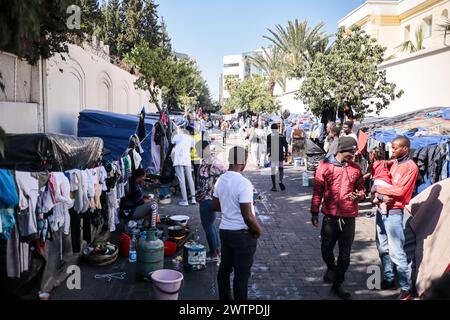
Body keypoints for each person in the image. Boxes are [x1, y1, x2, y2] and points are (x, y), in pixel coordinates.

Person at [311, 137, 365, 300]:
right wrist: (314, 212)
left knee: (345, 256)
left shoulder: (356, 169)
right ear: (341, 150)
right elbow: (317, 191)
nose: (353, 156)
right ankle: (331, 268)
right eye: (351, 152)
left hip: (349, 217)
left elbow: (361, 190)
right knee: (326, 249)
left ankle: (338, 284)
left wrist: (360, 196)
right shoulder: (325, 165)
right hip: (330, 217)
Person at [213, 146, 262, 300]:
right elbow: (247, 215)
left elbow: (216, 206)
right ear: (243, 162)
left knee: (224, 270)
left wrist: (229, 206)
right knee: (241, 275)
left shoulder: (220, 180)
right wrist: (258, 230)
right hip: (242, 234)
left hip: (225, 231)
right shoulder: (244, 183)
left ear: (229, 160)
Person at [373, 135, 419, 300]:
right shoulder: (393, 164)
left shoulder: (410, 167)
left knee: (397, 252)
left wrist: (377, 188)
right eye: (391, 147)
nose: (391, 150)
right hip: (381, 210)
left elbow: (399, 191)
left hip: (394, 214)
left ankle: (406, 289)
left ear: (405, 148)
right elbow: (383, 183)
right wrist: (379, 194)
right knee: (382, 248)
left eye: (395, 148)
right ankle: (389, 278)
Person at [196, 141, 226, 262]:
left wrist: (216, 189)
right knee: (210, 225)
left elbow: (225, 174)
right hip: (205, 197)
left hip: (208, 198)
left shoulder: (213, 162)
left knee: (207, 225)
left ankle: (214, 253)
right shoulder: (207, 160)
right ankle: (216, 250)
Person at [362, 147, 394, 215]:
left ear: (372, 156)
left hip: (377, 182)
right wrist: (395, 160)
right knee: (385, 194)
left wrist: (361, 178)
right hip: (387, 182)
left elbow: (369, 174)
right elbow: (392, 162)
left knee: (374, 192)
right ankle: (382, 204)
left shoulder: (372, 165)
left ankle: (377, 202)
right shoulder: (384, 162)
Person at [171, 125, 196, 206]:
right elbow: (191, 148)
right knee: (190, 178)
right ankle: (193, 199)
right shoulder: (191, 138)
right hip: (187, 159)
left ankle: (185, 200)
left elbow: (172, 144)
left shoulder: (177, 136)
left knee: (182, 180)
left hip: (178, 160)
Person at [267, 123, 288, 192]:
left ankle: (274, 186)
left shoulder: (269, 136)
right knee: (281, 169)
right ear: (277, 129)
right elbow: (286, 146)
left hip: (273, 156)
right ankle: (280, 181)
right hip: (280, 156)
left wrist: (267, 154)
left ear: (271, 129)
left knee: (273, 171)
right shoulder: (282, 136)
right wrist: (286, 155)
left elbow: (267, 147)